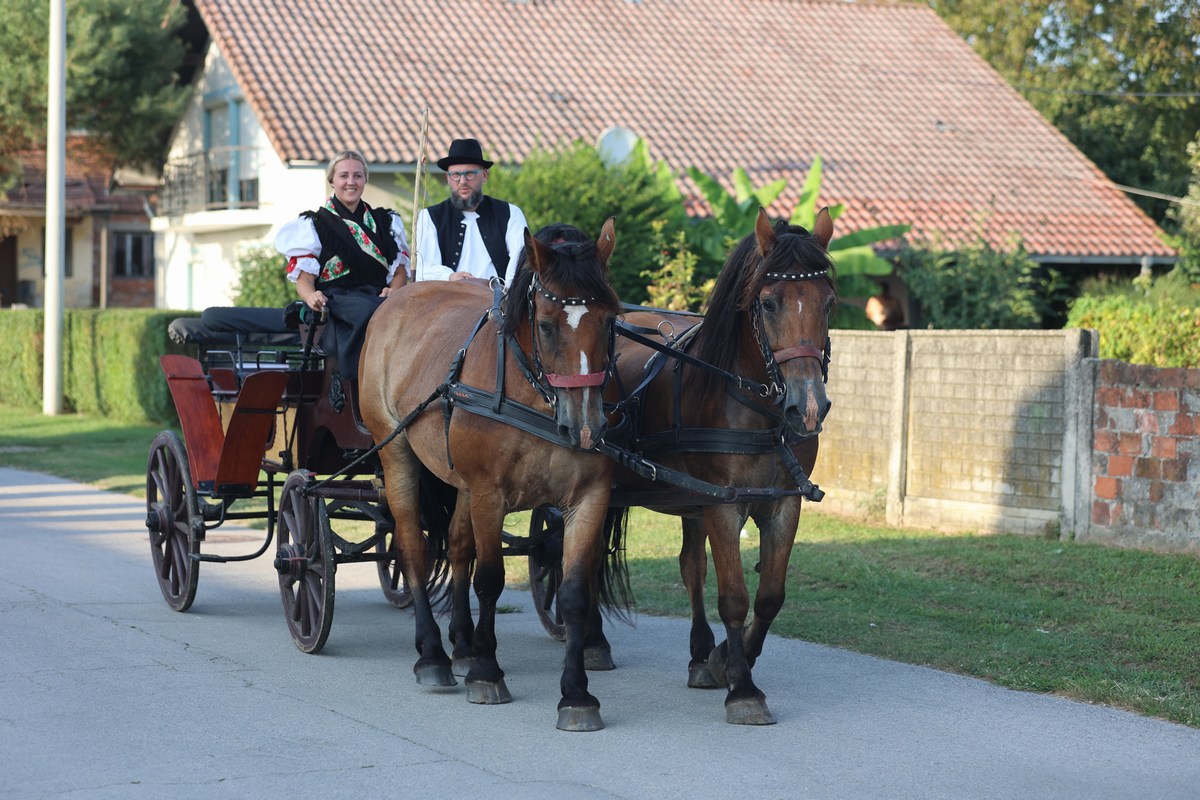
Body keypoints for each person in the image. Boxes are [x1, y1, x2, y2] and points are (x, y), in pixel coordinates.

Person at [274, 149, 410, 382]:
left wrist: (394, 292)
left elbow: (399, 272)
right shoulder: (315, 224)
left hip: (380, 297)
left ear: (365, 180)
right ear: (332, 181)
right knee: (367, 311)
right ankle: (359, 382)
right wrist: (311, 296)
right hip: (337, 300)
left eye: (358, 175)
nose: (351, 182)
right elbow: (305, 279)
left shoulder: (385, 221)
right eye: (343, 175)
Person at [412, 138, 528, 284]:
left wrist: (508, 291)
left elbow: (521, 258)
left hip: (498, 296)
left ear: (484, 175)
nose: (462, 181)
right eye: (455, 175)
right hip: (449, 296)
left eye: (470, 174)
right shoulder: (429, 217)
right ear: (448, 178)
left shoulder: (510, 214)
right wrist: (449, 276)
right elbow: (423, 269)